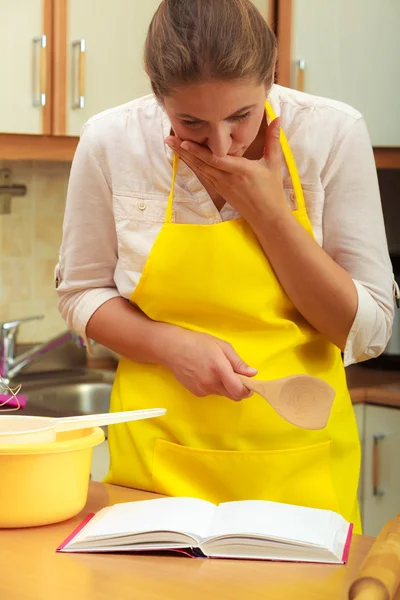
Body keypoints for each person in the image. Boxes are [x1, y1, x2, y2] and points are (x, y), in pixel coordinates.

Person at [56, 0, 395, 534]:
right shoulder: (111, 141)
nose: (220, 144)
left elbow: (367, 332)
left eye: (242, 116)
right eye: (190, 120)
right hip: (154, 470)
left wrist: (267, 211)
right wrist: (170, 345)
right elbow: (80, 294)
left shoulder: (330, 135)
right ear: (155, 92)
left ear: (272, 79)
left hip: (299, 468)